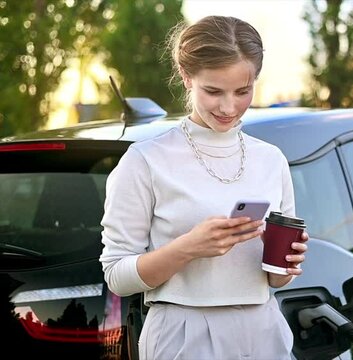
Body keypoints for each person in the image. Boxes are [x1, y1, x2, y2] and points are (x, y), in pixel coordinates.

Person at [99, 15, 307, 360]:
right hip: (182, 334)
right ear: (186, 77)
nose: (229, 107)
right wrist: (188, 247)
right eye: (213, 91)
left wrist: (287, 263)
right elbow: (117, 278)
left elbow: (275, 280)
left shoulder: (271, 159)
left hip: (263, 330)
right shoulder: (145, 161)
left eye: (243, 91)